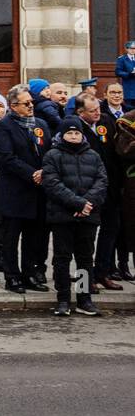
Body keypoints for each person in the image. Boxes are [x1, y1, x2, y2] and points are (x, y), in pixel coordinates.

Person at [41, 116, 108, 318]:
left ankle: (84, 299)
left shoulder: (94, 156)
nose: (73, 136)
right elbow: (52, 184)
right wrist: (77, 203)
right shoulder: (52, 155)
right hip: (63, 216)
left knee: (85, 259)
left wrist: (87, 204)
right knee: (62, 259)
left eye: (77, 133)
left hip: (87, 216)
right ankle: (63, 299)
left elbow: (102, 182)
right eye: (69, 133)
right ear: (62, 135)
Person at [0, 84, 50, 294]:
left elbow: (50, 151)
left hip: (38, 191)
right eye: (26, 103)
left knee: (33, 237)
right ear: (13, 106)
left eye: (31, 102)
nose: (31, 106)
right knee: (10, 237)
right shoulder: (4, 126)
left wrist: (44, 171)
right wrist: (32, 173)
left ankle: (29, 274)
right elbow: (7, 157)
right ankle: (12, 276)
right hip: (14, 191)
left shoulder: (41, 124)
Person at [73, 91, 124, 293]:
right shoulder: (75, 127)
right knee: (85, 242)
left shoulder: (105, 122)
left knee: (111, 231)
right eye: (92, 111)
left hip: (109, 189)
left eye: (98, 109)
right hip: (87, 192)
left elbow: (115, 152)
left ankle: (102, 273)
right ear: (80, 112)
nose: (97, 113)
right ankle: (84, 284)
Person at [115, 40, 135, 104]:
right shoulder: (122, 59)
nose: (133, 50)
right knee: (129, 109)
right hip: (129, 88)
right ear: (127, 49)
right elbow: (118, 72)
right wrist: (129, 74)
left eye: (134, 48)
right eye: (131, 48)